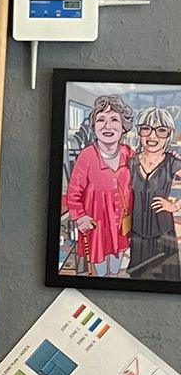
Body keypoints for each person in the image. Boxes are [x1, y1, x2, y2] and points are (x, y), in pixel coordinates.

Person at [66, 95, 134, 277]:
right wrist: (80, 217)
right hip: (97, 228)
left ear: (123, 126)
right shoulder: (86, 156)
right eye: (101, 120)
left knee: (116, 268)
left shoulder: (129, 154)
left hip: (121, 226)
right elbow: (73, 194)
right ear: (94, 126)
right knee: (102, 274)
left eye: (114, 120)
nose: (108, 126)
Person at [128, 107, 181, 280]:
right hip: (137, 236)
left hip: (163, 234)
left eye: (161, 130)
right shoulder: (130, 162)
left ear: (169, 134)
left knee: (167, 280)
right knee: (137, 279)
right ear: (139, 132)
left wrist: (174, 206)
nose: (152, 136)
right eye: (146, 128)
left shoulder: (172, 162)